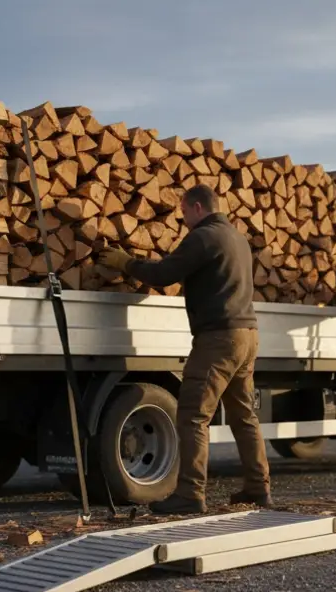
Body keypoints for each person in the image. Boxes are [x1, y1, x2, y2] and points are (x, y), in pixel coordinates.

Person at [94, 185, 272, 514]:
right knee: (243, 414)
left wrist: (125, 262)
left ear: (198, 207)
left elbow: (164, 274)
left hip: (218, 338)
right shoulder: (237, 238)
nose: (183, 218)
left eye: (185, 212)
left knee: (192, 415)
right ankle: (258, 487)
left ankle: (190, 493)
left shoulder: (204, 237)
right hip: (247, 335)